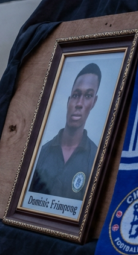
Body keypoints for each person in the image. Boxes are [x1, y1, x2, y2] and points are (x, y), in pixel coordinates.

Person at [29, 63, 101, 200]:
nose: (79, 103)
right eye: (76, 95)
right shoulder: (42, 152)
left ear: (94, 102)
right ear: (69, 101)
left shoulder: (96, 159)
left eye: (88, 96)